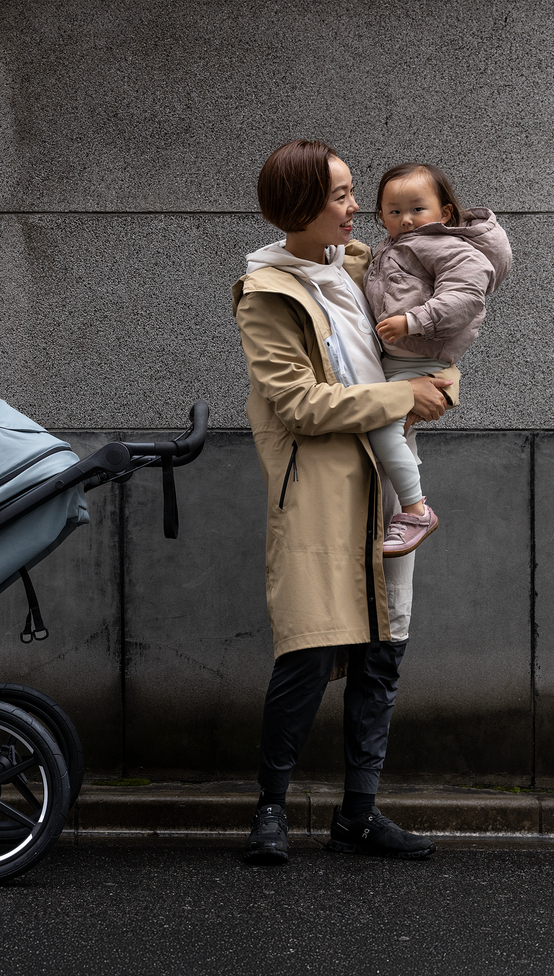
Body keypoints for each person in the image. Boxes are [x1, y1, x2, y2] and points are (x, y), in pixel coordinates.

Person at [232, 140, 456, 864]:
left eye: (352, 191)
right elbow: (298, 404)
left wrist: (439, 384)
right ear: (300, 206)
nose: (356, 206)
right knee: (308, 649)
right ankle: (270, 810)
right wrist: (402, 395)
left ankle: (357, 815)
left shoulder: (362, 266)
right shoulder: (267, 293)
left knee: (382, 656)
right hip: (321, 496)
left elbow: (433, 333)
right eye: (339, 195)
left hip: (390, 486)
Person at [364, 163, 512, 556]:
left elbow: (465, 296)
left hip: (419, 363)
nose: (406, 219)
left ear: (444, 213)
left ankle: (416, 513)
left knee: (383, 431)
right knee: (384, 431)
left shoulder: (446, 246)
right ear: (381, 216)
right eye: (395, 211)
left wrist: (413, 321)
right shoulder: (388, 248)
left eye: (418, 209)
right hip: (397, 363)